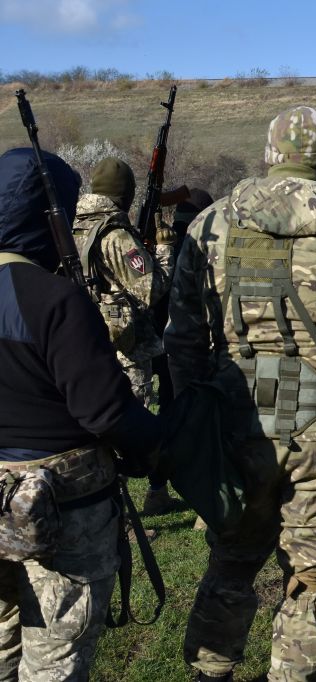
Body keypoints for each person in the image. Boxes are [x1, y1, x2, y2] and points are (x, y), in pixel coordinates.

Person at [165, 105, 316, 681]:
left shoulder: (213, 224)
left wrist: (195, 417)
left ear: (270, 155)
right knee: (314, 571)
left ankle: (209, 672)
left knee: (230, 558)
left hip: (233, 421)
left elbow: (182, 337)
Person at [0, 148, 161, 679]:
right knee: (54, 656)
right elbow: (105, 412)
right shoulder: (54, 301)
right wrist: (156, 444)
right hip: (61, 514)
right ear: (49, 219)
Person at [71, 157, 176, 516]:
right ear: (125, 195)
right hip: (123, 345)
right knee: (126, 427)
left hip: (82, 341)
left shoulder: (73, 226)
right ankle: (118, 515)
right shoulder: (114, 234)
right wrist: (163, 250)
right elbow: (151, 288)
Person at [147, 187, 214, 519]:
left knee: (168, 419)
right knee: (201, 422)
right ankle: (205, 500)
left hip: (157, 348)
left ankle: (156, 490)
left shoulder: (160, 246)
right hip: (191, 351)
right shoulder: (204, 249)